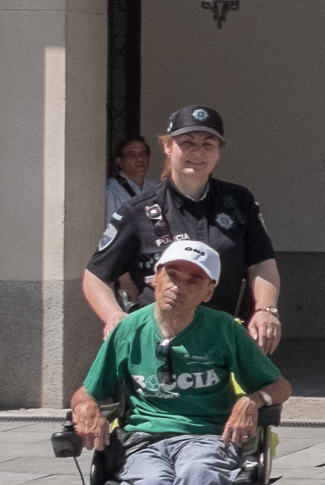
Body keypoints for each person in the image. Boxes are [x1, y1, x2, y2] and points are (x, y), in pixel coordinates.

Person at [70, 238, 291, 485]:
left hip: (206, 438)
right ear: (155, 278)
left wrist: (253, 400)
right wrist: (85, 407)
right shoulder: (129, 330)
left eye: (193, 281)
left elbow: (280, 386)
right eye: (172, 275)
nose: (179, 286)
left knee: (198, 479)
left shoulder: (224, 329)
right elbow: (90, 390)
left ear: (208, 292)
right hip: (144, 442)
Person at [83, 106, 285, 355]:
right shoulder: (138, 211)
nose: (197, 152)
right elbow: (95, 276)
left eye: (208, 144)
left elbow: (262, 263)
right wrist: (114, 316)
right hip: (159, 347)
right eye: (187, 142)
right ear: (167, 148)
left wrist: (266, 310)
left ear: (218, 154)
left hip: (227, 343)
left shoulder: (239, 202)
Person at [105, 135, 151, 219]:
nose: (140, 159)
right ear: (120, 162)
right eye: (132, 155)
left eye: (143, 154)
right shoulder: (110, 191)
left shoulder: (156, 188)